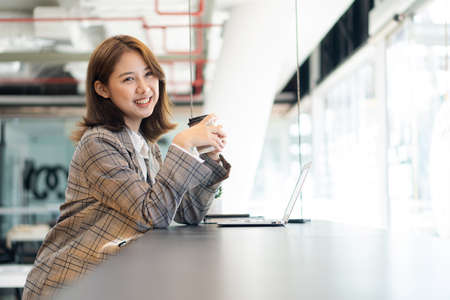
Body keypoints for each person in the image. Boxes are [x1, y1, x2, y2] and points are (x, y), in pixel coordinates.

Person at [22, 35, 230, 299]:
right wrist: (181, 143)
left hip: (109, 280)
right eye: (129, 79)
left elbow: (187, 213)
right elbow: (151, 215)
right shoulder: (98, 143)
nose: (144, 88)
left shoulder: (146, 146)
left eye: (149, 75)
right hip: (69, 284)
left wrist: (209, 158)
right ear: (102, 89)